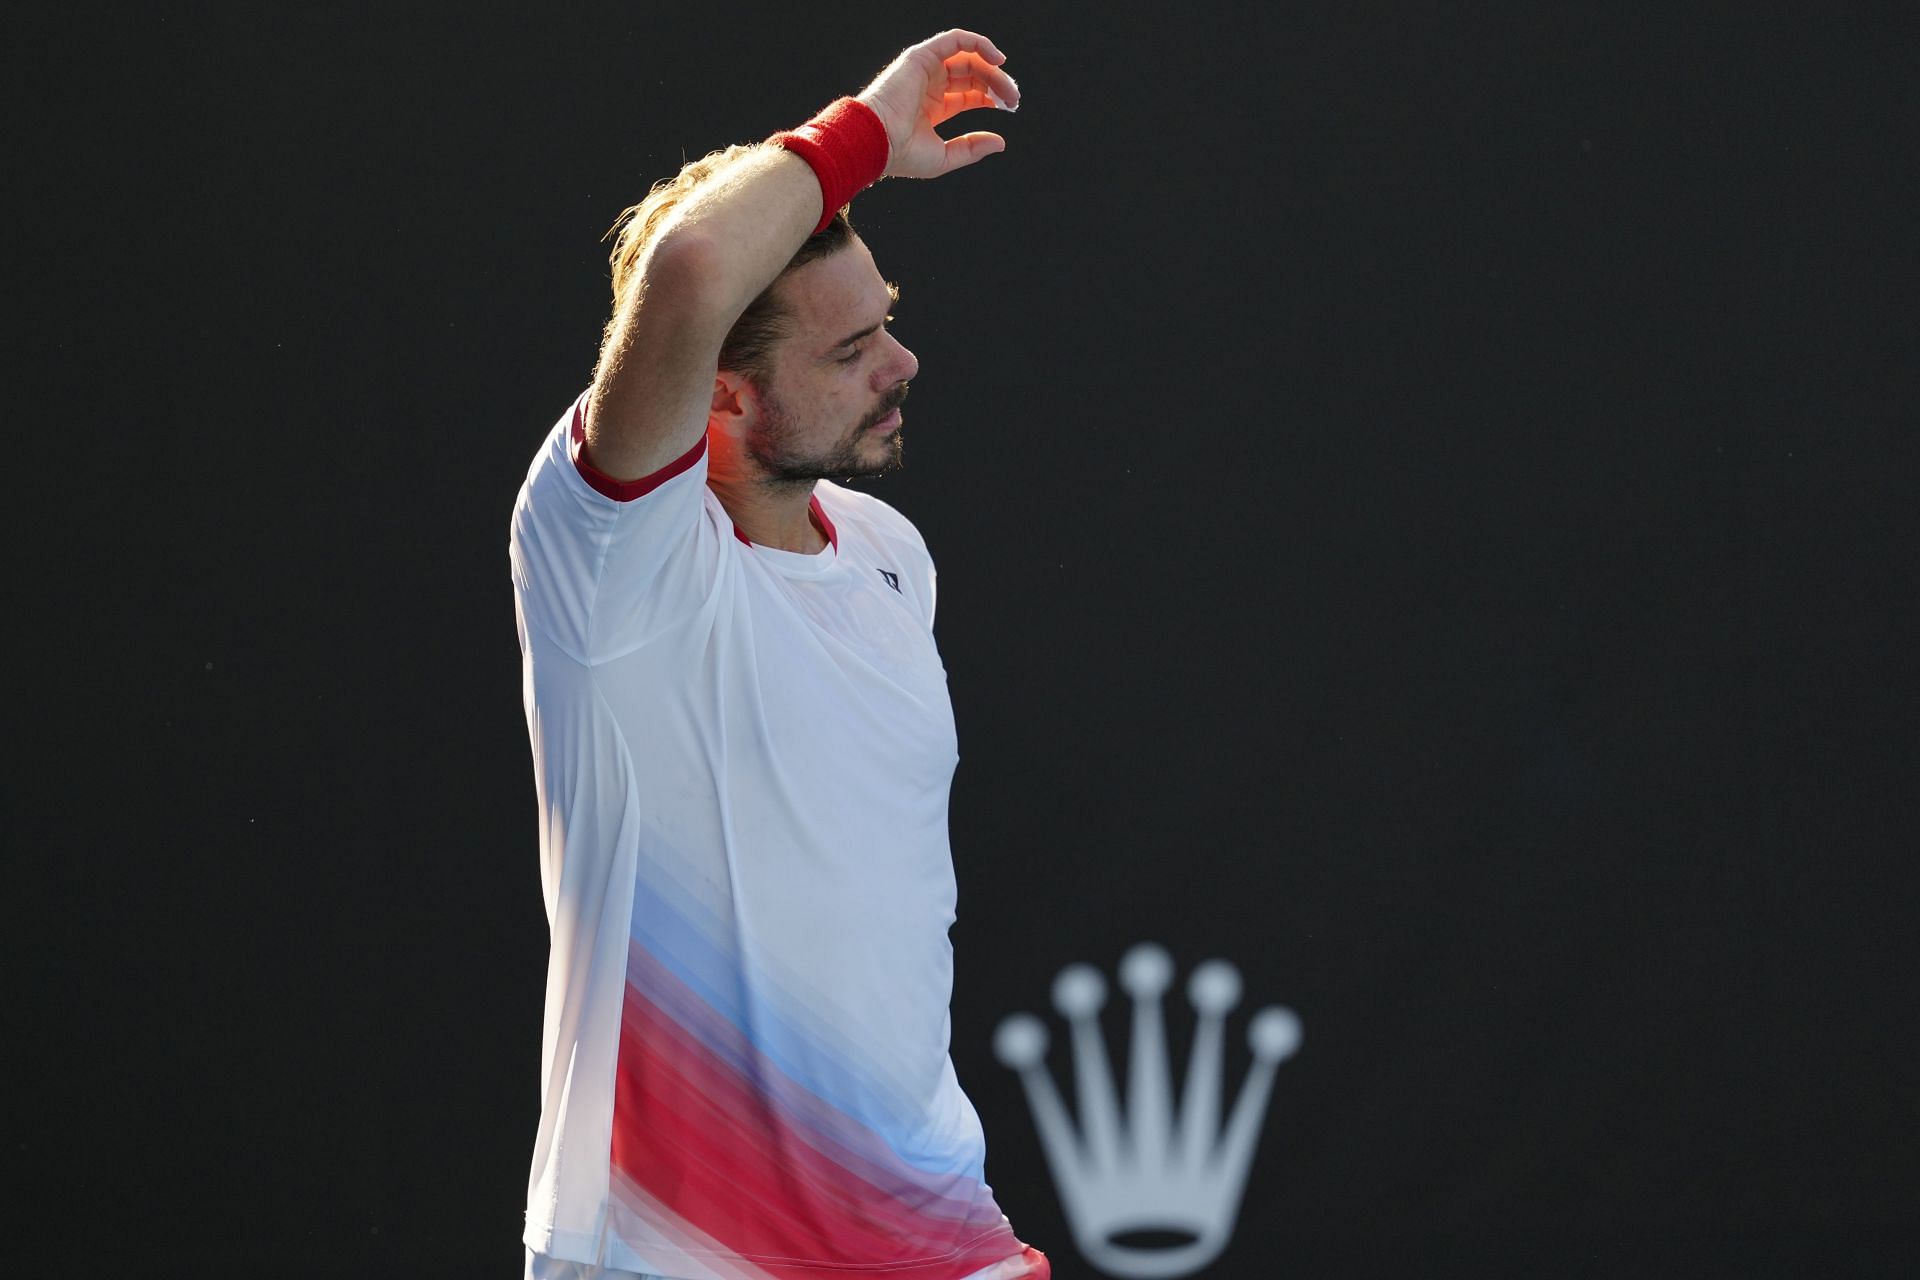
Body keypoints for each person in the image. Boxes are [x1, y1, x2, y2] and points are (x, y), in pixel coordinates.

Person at [508, 29, 1048, 1280]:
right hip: (674, 1257)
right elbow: (695, 268)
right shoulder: (609, 558)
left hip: (937, 1237)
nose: (902, 364)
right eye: (849, 351)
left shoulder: (887, 552)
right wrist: (859, 131)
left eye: (887, 325)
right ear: (724, 398)